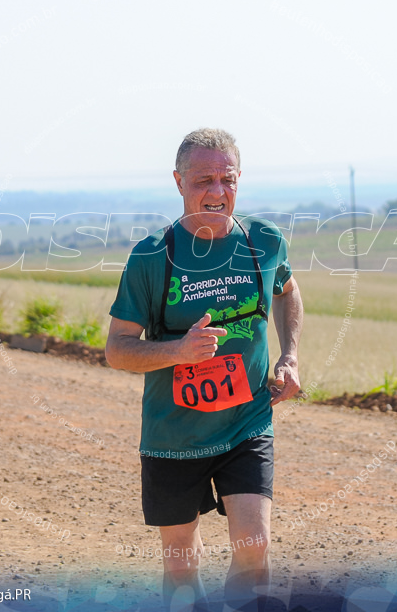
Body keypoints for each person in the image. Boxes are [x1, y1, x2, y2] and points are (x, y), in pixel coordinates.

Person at [106, 128, 304, 612]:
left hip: (247, 421)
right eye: (203, 181)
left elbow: (288, 291)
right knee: (180, 567)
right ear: (178, 182)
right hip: (173, 436)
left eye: (226, 179)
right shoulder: (153, 257)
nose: (217, 192)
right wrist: (178, 351)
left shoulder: (264, 241)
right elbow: (118, 349)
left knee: (255, 546)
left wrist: (290, 354)